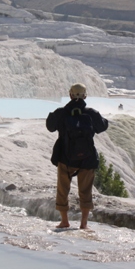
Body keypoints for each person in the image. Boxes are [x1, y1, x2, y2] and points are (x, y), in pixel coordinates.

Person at [46, 83, 109, 230]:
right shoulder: (91, 113)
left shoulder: (61, 113)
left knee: (63, 189)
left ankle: (64, 221)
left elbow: (50, 127)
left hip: (65, 157)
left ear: (70, 95)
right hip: (87, 159)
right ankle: (83, 224)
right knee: (85, 191)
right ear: (85, 96)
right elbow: (102, 127)